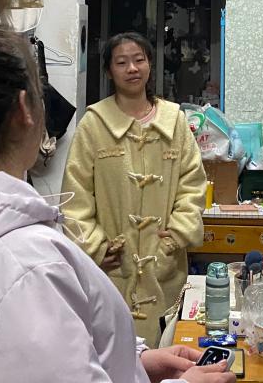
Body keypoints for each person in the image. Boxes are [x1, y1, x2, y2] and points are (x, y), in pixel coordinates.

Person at [0, 19, 231, 383]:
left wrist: (132, 362)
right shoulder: (30, 268)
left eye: (139, 60)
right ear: (25, 110)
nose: (132, 69)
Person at [63, 32, 208, 343]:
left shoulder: (174, 121)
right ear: (109, 71)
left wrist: (176, 237)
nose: (132, 68)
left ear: (150, 65)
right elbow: (75, 197)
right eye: (121, 62)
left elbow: (193, 185)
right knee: (110, 353)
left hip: (165, 266)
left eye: (139, 60)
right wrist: (95, 247)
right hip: (112, 270)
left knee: (167, 352)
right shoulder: (93, 124)